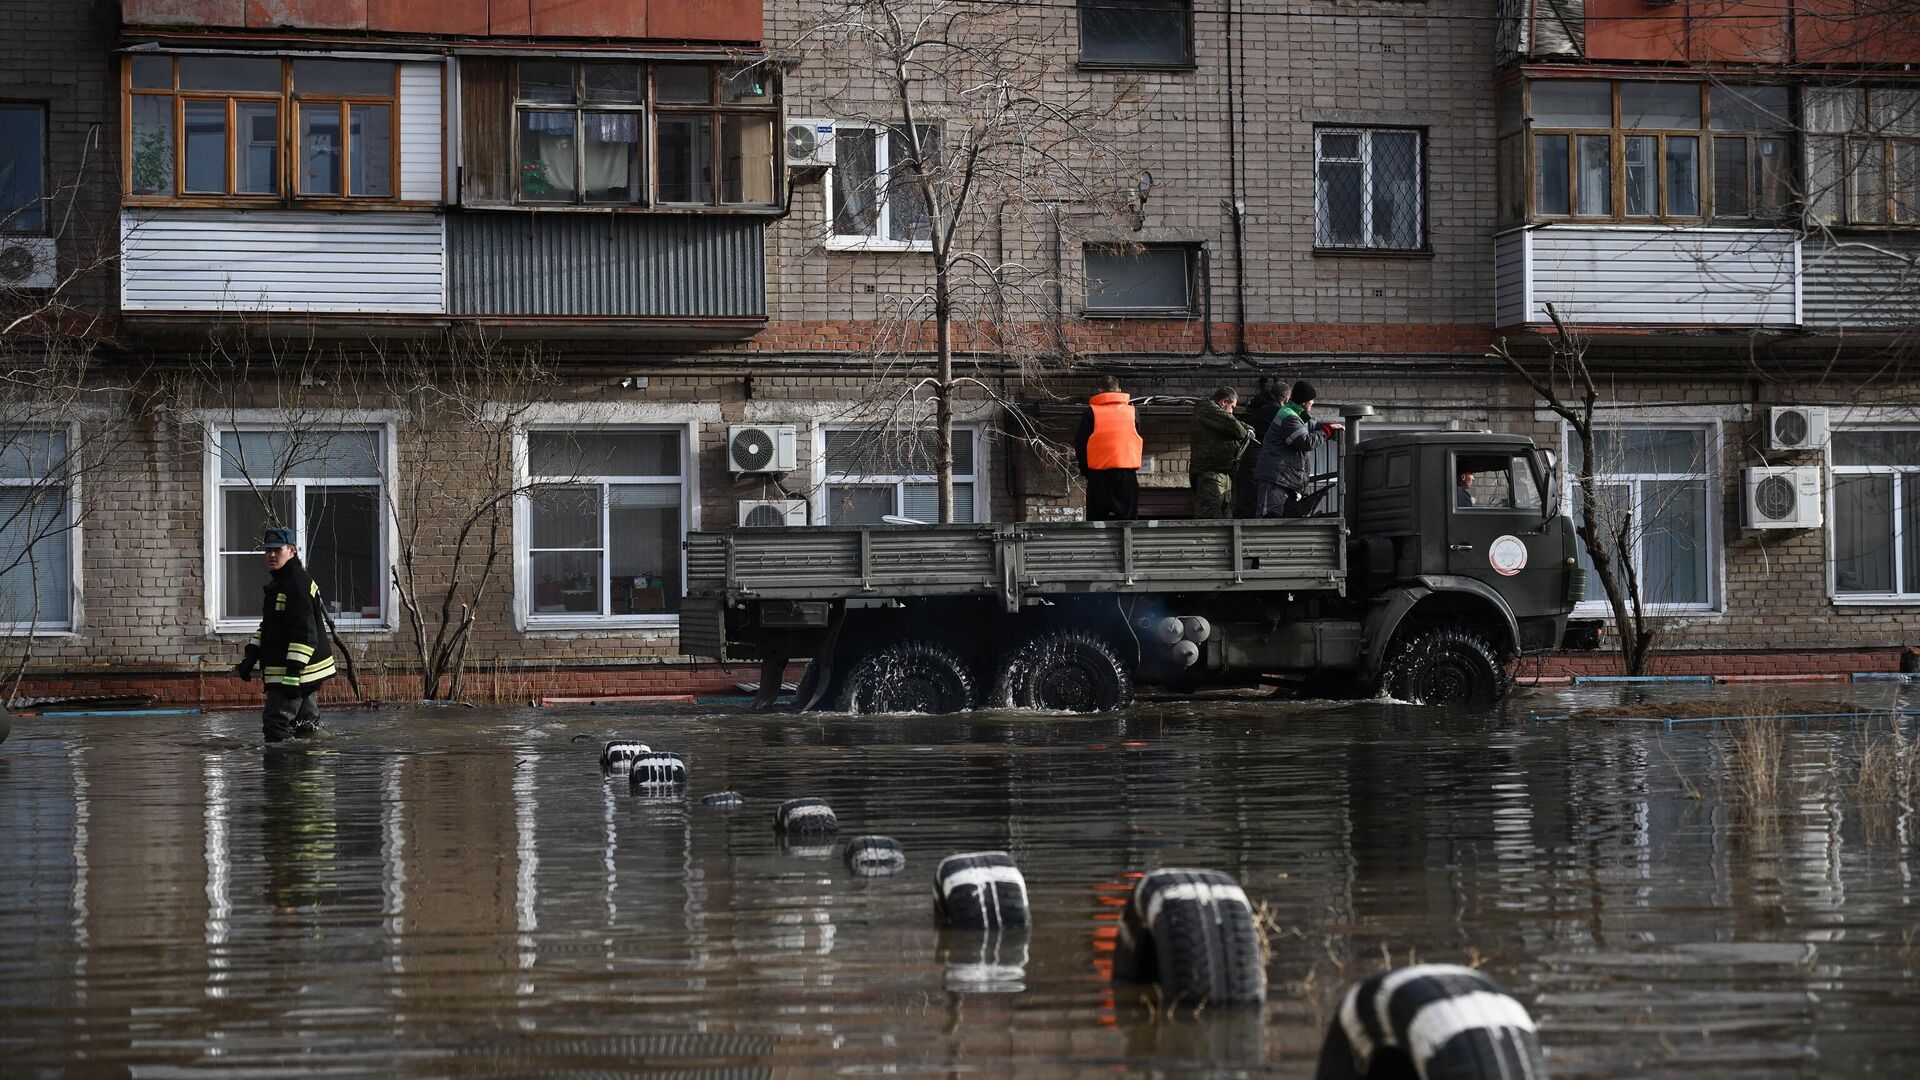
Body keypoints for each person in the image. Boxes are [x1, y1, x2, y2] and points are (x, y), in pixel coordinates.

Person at [234, 526, 337, 743]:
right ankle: (314, 770)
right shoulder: (280, 583)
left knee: (276, 726)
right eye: (267, 550)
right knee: (307, 727)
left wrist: (292, 673)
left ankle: (280, 775)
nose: (271, 555)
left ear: (291, 550)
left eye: (277, 549)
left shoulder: (295, 584)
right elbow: (271, 627)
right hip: (298, 671)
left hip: (295, 672)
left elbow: (305, 633)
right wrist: (251, 655)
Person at [1252, 380, 1343, 518]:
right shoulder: (1290, 417)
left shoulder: (1295, 413)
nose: (1313, 403)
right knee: (1270, 519)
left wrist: (1329, 425)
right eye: (1311, 400)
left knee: (1281, 521)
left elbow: (1312, 425)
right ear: (1304, 402)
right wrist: (1327, 431)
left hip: (1283, 478)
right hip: (1275, 479)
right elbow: (1305, 442)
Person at [1075, 375, 1144, 521]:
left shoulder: (1090, 413)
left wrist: (1086, 471)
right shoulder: (1133, 412)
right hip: (1126, 475)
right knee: (1128, 523)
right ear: (1119, 390)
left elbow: (1080, 445)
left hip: (1098, 476)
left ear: (1100, 390)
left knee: (1097, 523)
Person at [1189, 386, 1256, 518]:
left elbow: (1238, 425)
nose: (1232, 412)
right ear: (1224, 402)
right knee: (1211, 519)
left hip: (1222, 474)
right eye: (1232, 407)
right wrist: (1246, 430)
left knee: (1226, 520)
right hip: (1210, 475)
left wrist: (1248, 429)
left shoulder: (1214, 414)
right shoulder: (1207, 409)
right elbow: (1237, 429)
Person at [1235, 378, 1289, 517]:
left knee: (1245, 501)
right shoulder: (1276, 410)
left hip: (1246, 458)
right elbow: (1302, 424)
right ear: (1286, 399)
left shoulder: (1255, 406)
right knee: (1254, 503)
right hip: (1258, 461)